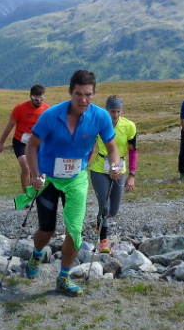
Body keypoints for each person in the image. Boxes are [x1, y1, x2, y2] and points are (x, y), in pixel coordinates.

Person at [25, 70, 122, 297]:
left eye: (88, 94)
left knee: (75, 231)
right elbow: (31, 146)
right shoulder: (51, 115)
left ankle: (64, 277)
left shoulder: (100, 117)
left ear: (94, 93)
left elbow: (112, 149)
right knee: (47, 230)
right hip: (48, 179)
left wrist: (115, 166)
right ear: (70, 92)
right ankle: (37, 253)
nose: (83, 100)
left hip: (77, 179)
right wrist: (35, 175)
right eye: (78, 94)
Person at [89, 95, 137, 254]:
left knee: (113, 210)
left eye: (118, 111)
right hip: (99, 168)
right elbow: (90, 146)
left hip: (119, 169)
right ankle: (103, 241)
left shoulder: (129, 126)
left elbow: (133, 151)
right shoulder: (99, 124)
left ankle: (100, 222)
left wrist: (132, 174)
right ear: (107, 110)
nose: (115, 115)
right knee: (105, 205)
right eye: (112, 111)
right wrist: (82, 165)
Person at [0, 84, 50, 192]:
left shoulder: (47, 109)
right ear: (30, 96)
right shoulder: (20, 108)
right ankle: (26, 194)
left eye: (41, 99)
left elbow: (50, 128)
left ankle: (33, 191)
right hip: (21, 142)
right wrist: (1, 143)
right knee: (26, 167)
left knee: (37, 169)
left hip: (37, 143)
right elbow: (9, 126)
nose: (39, 101)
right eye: (36, 99)